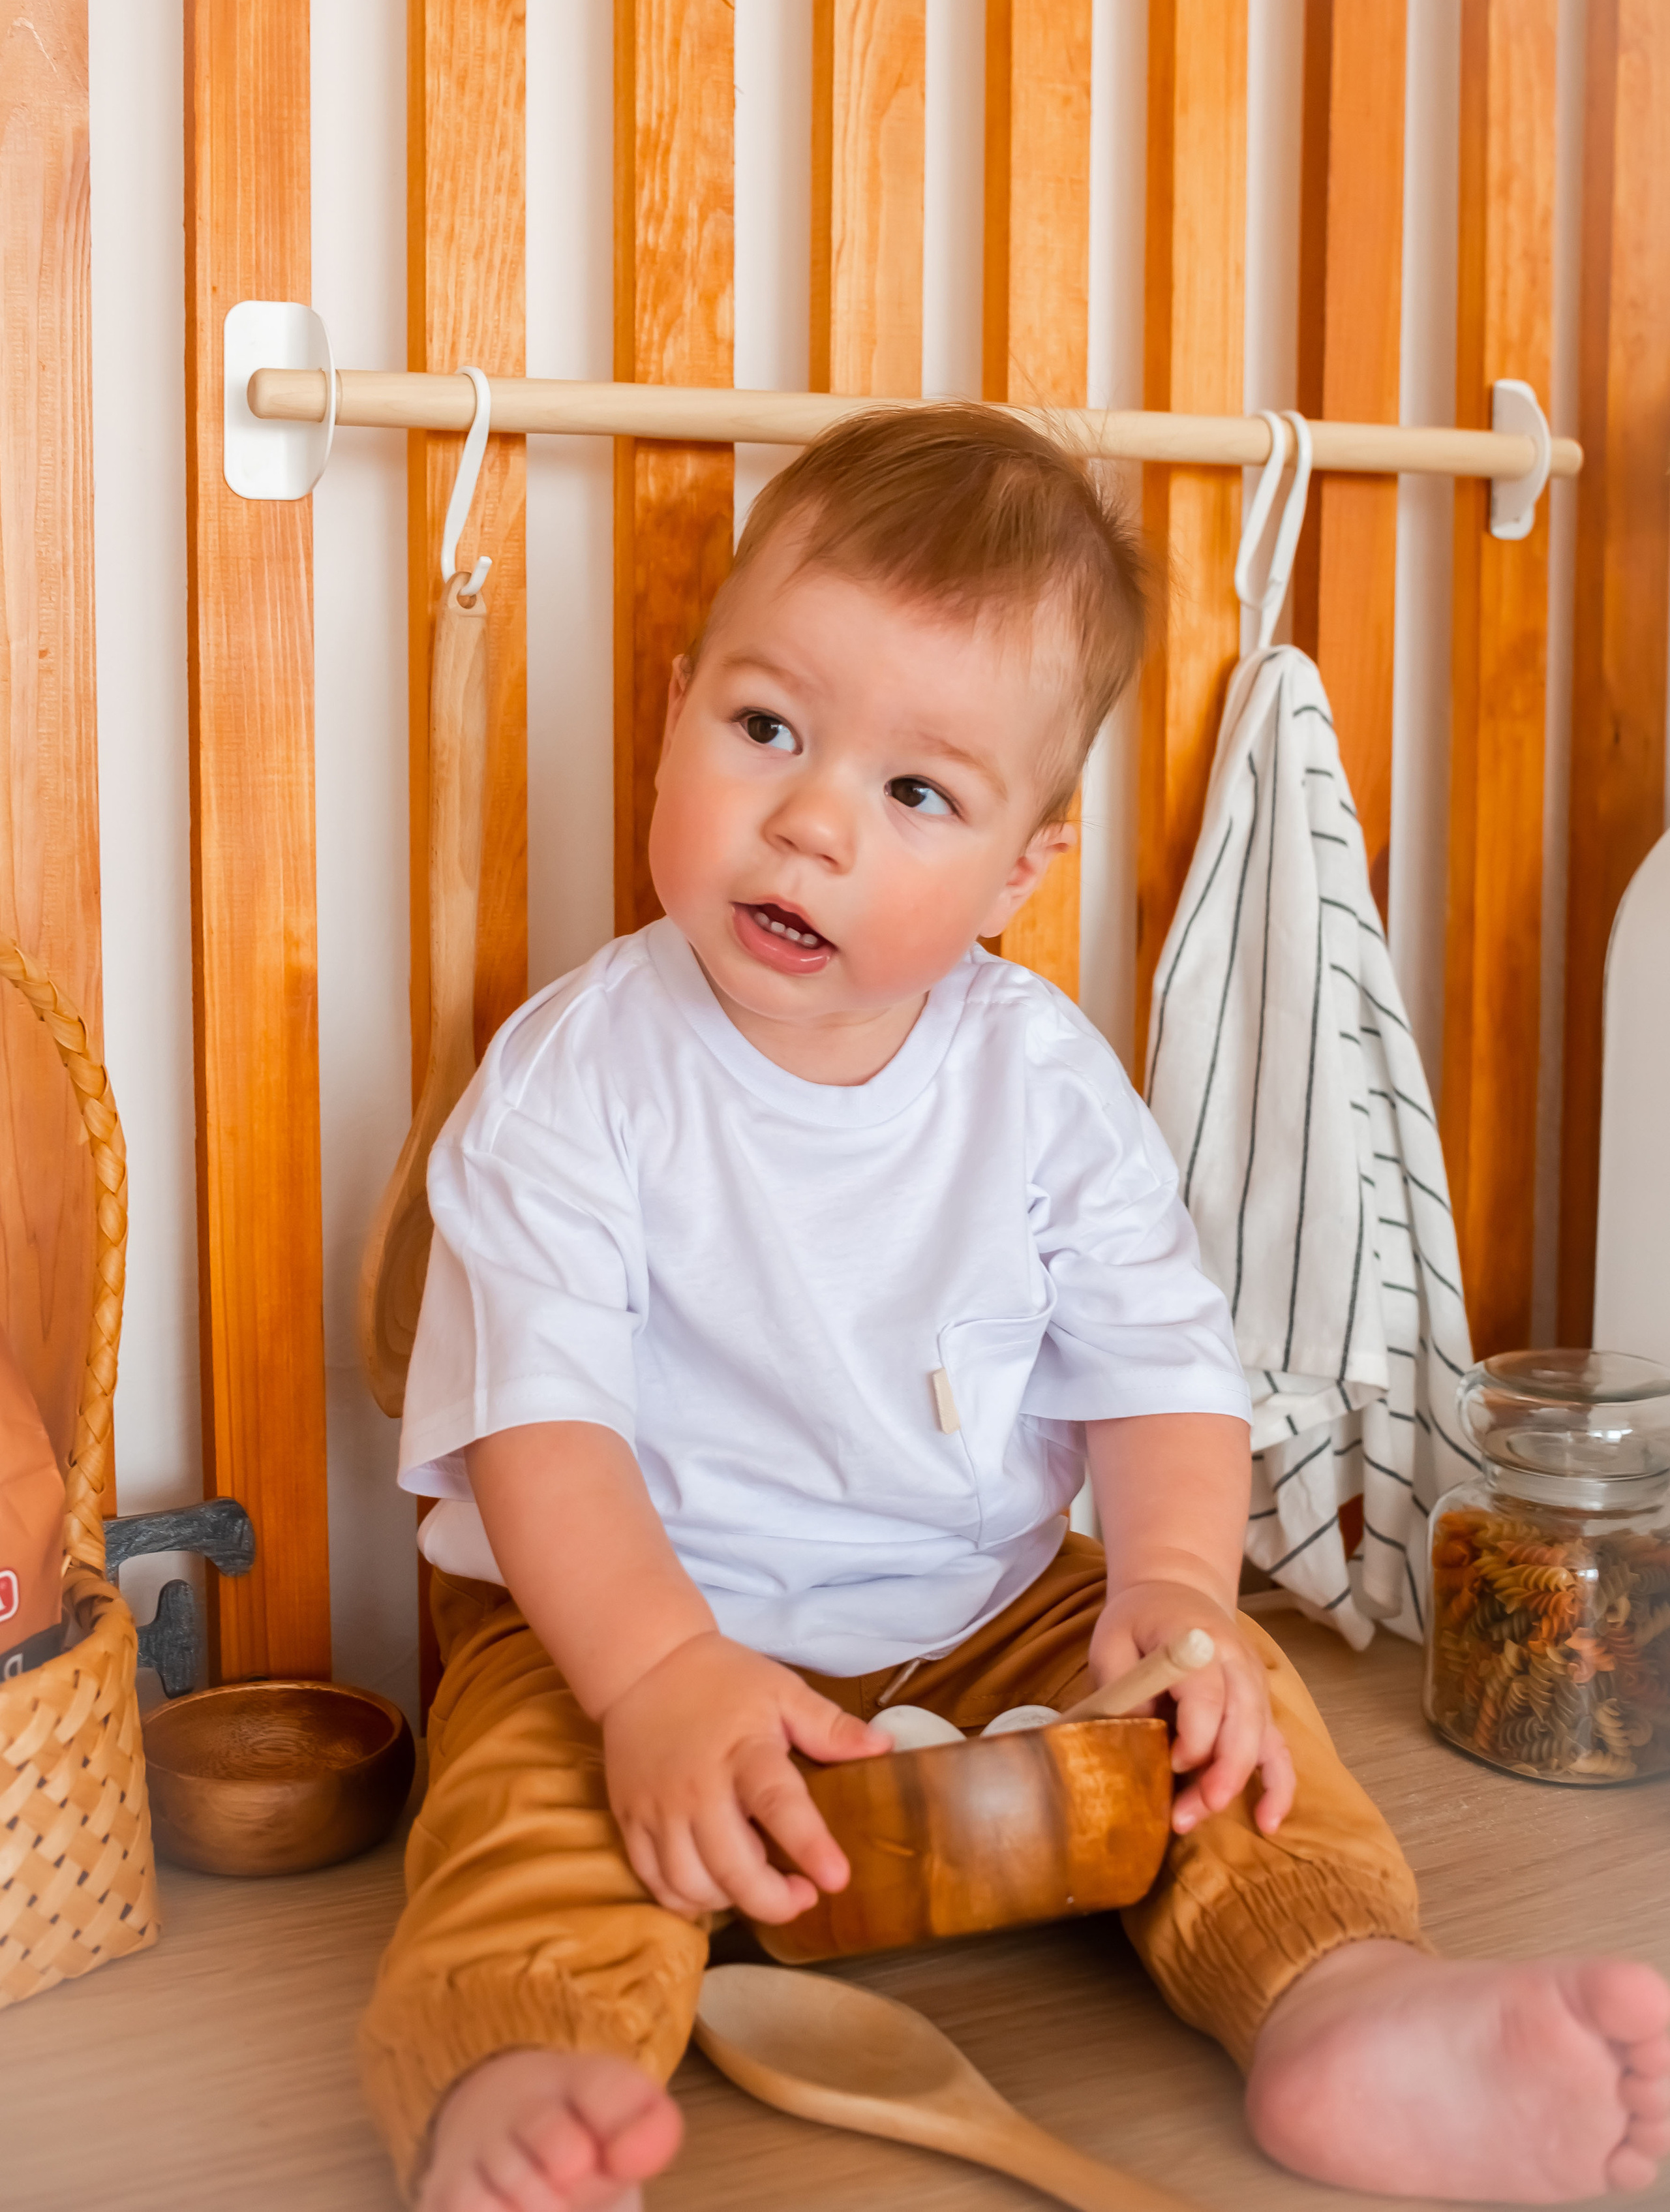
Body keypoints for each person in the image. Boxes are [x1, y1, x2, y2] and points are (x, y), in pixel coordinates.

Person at [363, 406, 1670, 2211]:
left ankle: (1344, 2001)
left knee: (1235, 1730)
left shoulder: (1041, 1080)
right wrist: (658, 1676)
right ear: (676, 711)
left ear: (1020, 871)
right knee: (525, 1811)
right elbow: (543, 1432)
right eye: (767, 729)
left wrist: (1180, 1594)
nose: (812, 821)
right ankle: (521, 2073)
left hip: (990, 1611)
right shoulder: (574, 1080)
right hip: (623, 1628)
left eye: (919, 793)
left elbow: (1160, 1373)